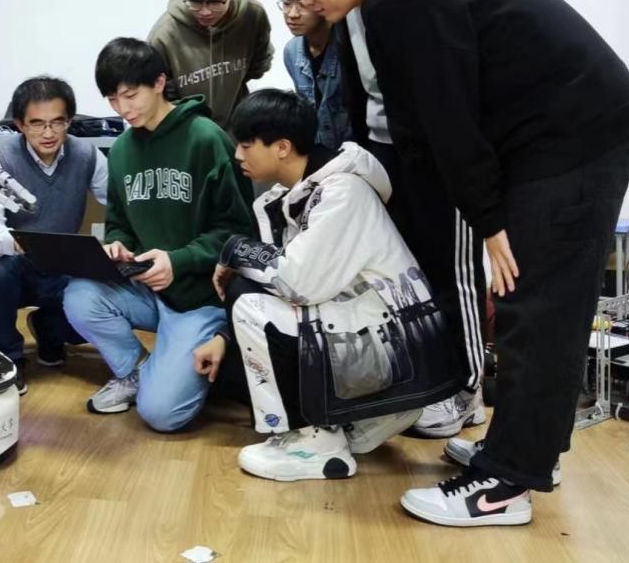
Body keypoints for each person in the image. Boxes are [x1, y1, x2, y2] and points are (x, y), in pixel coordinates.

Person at [287, 0, 629, 527]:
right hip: (551, 137)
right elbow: (427, 122)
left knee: (537, 305)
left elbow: (448, 119)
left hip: (575, 137)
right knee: (526, 299)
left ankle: (505, 485)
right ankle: (525, 452)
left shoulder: (399, 0)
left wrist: (488, 221)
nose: (305, 0)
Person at [278, 0, 486, 440]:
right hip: (383, 145)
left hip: (437, 146)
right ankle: (428, 383)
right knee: (404, 269)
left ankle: (467, 389)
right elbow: (357, 75)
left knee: (452, 268)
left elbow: (449, 69)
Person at [193, 90, 461, 481]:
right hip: (374, 328)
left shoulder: (341, 192)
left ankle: (313, 443)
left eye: (247, 145)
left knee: (249, 302)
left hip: (396, 345)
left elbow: (297, 282)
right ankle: (363, 416)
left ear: (282, 148)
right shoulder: (293, 194)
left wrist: (234, 250)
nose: (238, 155)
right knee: (246, 304)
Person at [63, 38, 255, 431]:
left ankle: (204, 355)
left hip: (200, 299)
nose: (122, 108)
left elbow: (239, 232)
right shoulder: (121, 150)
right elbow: (119, 222)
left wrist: (178, 261)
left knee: (163, 415)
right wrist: (119, 244)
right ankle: (137, 373)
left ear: (159, 83)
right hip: (148, 290)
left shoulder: (206, 139)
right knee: (79, 296)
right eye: (112, 99)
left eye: (131, 95)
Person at [0, 76, 107, 393]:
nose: (48, 133)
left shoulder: (88, 156)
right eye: (37, 124)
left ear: (69, 121)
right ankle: (9, 354)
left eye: (57, 122)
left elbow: (120, 205)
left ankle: (51, 330)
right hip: (16, 264)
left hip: (63, 266)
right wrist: (18, 243)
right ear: (20, 124)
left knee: (106, 294)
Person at [148, 0, 273, 130]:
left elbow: (260, 64)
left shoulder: (253, 15)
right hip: (187, 132)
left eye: (215, 2)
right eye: (195, 2)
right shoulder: (164, 34)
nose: (204, 12)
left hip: (236, 130)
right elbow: (160, 95)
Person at [277, 0, 348, 150]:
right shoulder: (292, 51)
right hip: (320, 150)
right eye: (286, 4)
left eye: (302, 5)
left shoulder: (348, 44)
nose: (292, 14)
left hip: (356, 149)